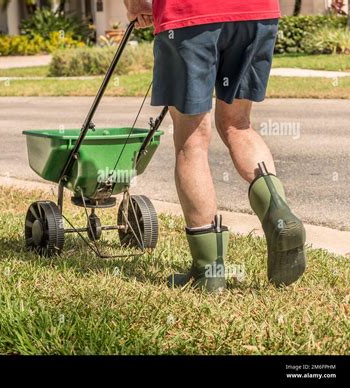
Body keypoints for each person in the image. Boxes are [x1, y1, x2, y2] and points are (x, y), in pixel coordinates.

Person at [123, 0, 306, 291]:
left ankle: (209, 270)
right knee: (238, 124)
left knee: (191, 139)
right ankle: (279, 214)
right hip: (256, 13)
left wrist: (137, 5)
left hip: (190, 15)